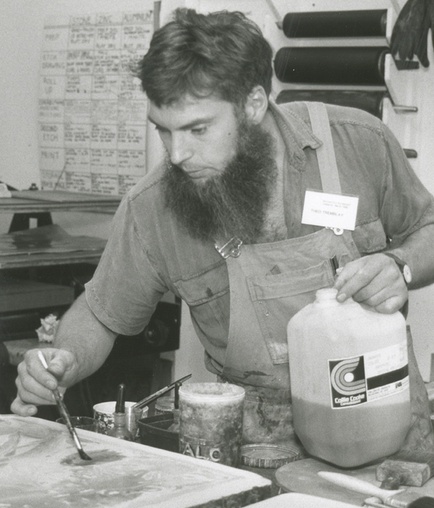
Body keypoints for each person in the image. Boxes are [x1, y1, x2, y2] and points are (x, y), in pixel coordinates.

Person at [12, 8, 434, 449]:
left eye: (197, 129)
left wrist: (398, 265)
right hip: (247, 441)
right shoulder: (153, 206)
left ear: (252, 104)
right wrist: (66, 360)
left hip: (386, 419)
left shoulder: (356, 142)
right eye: (164, 131)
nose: (177, 154)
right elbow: (100, 313)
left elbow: (429, 226)